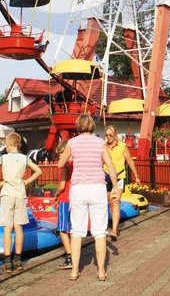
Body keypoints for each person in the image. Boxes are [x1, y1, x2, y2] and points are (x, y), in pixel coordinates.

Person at [57, 114, 118, 282]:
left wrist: (72, 157)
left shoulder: (72, 143)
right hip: (97, 187)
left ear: (78, 126)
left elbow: (60, 164)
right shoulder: (100, 143)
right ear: (92, 126)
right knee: (99, 232)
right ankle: (101, 271)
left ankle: (74, 271)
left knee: (77, 231)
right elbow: (110, 166)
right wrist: (115, 187)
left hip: (78, 188)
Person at [0, 132, 42, 273]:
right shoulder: (24, 158)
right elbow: (38, 171)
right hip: (20, 193)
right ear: (19, 145)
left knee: (7, 227)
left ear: (8, 145)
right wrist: (27, 181)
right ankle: (18, 259)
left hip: (7, 192)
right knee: (18, 227)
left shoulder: (3, 158)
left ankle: (7, 261)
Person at [104, 125, 141, 241]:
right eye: (106, 135)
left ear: (115, 135)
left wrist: (136, 176)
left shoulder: (122, 147)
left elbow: (129, 161)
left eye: (110, 135)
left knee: (116, 201)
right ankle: (113, 224)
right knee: (111, 202)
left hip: (119, 176)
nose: (108, 137)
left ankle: (114, 230)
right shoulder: (103, 147)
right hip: (107, 176)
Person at [54, 140, 73, 269]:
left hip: (65, 198)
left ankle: (69, 255)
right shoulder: (76, 165)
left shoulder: (65, 166)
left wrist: (55, 195)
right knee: (72, 228)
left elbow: (62, 186)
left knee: (62, 228)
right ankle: (75, 253)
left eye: (61, 153)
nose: (60, 156)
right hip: (75, 199)